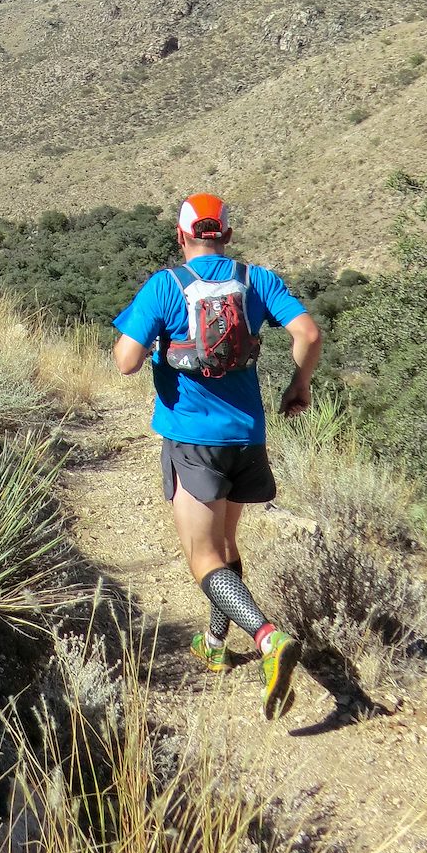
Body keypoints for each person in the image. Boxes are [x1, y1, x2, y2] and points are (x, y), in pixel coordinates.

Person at [112, 192, 322, 719]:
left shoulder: (165, 286)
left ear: (181, 236)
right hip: (248, 437)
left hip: (192, 440)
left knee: (202, 556)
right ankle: (213, 641)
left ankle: (269, 638)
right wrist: (300, 384)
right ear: (226, 235)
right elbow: (308, 333)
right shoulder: (257, 281)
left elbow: (126, 363)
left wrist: (157, 342)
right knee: (226, 542)